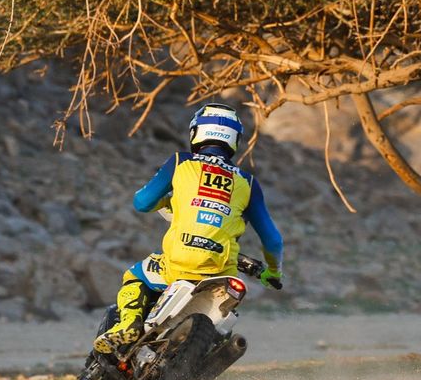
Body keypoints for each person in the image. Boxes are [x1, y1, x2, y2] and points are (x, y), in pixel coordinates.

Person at [93, 102, 283, 361]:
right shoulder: (248, 183)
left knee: (136, 275)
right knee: (223, 328)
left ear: (196, 132)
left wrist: (170, 201)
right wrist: (273, 272)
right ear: (235, 140)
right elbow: (272, 240)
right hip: (223, 273)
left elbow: (142, 202)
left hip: (179, 263)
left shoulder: (182, 162)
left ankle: (128, 325)